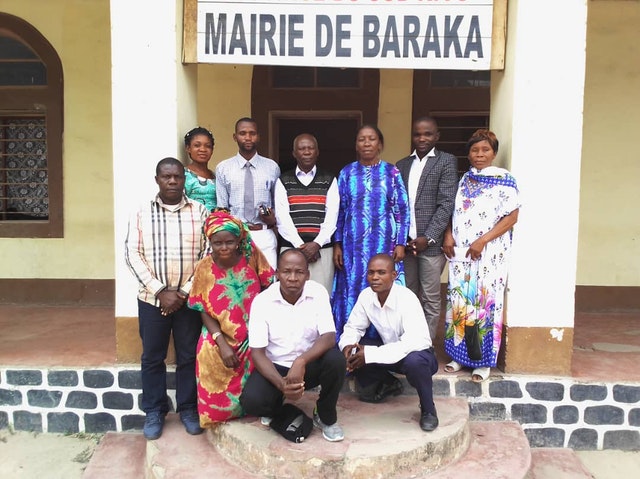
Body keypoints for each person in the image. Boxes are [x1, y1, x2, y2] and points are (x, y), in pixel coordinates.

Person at [124, 157, 208, 440]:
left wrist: (182, 292)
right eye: (166, 177)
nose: (172, 181)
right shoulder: (140, 213)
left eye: (177, 177)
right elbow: (132, 254)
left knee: (188, 356)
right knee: (152, 357)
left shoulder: (200, 211)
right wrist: (161, 291)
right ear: (157, 179)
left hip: (187, 300)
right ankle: (154, 411)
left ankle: (187, 408)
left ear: (184, 179)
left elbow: (207, 257)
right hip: (152, 299)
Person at [240, 249, 347, 442]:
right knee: (252, 403)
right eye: (286, 271)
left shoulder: (318, 292)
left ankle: (325, 415)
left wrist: (301, 361)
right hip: (277, 367)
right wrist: (282, 385)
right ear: (277, 274)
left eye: (299, 272)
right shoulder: (262, 301)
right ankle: (279, 406)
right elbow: (257, 353)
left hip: (309, 366)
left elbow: (329, 336)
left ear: (307, 274)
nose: (292, 278)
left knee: (336, 360)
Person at [442, 129, 520, 382]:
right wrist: (449, 235)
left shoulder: (504, 179)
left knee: (485, 303)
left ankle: (482, 362)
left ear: (494, 153)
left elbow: (512, 217)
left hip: (489, 254)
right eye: (475, 150)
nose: (479, 154)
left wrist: (483, 240)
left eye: (485, 150)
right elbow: (453, 212)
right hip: (461, 254)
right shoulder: (464, 180)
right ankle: (459, 356)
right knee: (460, 302)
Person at [188, 209, 275, 427]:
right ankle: (218, 416)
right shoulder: (204, 268)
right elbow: (201, 308)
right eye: (218, 243)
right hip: (218, 333)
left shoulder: (251, 256)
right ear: (210, 242)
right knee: (208, 355)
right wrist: (221, 342)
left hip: (253, 333)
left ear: (238, 240)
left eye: (229, 242)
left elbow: (269, 285)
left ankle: (257, 409)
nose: (224, 248)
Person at [338, 254, 439, 432]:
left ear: (394, 275)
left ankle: (428, 410)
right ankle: (387, 384)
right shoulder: (366, 296)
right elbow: (354, 327)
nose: (375, 277)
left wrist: (370, 354)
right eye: (371, 273)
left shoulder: (407, 298)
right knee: (348, 350)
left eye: (381, 272)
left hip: (416, 353)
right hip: (389, 352)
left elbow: (413, 342)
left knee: (415, 362)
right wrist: (348, 346)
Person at [332, 124, 410, 342]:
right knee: (354, 289)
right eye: (361, 139)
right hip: (352, 247)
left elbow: (402, 210)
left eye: (371, 139)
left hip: (384, 245)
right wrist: (337, 243)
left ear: (380, 144)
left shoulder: (391, 172)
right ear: (356, 145)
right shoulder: (346, 173)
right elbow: (340, 210)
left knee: (383, 289)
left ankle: (385, 344)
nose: (366, 143)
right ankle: (352, 343)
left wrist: (401, 243)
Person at [396, 117, 458, 342]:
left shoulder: (446, 161)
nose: (422, 138)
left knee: (430, 299)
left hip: (430, 246)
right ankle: (408, 341)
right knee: (407, 295)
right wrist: (402, 239)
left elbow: (446, 204)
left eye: (428, 134)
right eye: (417, 134)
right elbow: (398, 205)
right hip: (407, 244)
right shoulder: (401, 165)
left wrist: (429, 237)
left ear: (437, 136)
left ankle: (425, 345)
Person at [274, 133, 339, 293]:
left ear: (317, 152)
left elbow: (332, 216)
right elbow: (282, 218)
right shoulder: (284, 180)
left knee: (321, 296)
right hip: (291, 250)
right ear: (294, 153)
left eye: (310, 148)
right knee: (290, 296)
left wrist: (316, 244)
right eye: (302, 149)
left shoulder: (329, 179)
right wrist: (301, 248)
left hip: (322, 251)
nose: (307, 152)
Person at [215, 117, 280, 269]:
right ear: (235, 137)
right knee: (239, 286)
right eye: (243, 133)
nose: (248, 137)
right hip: (236, 236)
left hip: (264, 233)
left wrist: (272, 218)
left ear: (259, 136)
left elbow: (278, 205)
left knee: (269, 284)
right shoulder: (223, 168)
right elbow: (222, 209)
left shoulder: (272, 167)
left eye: (252, 133)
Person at [183, 126, 216, 211]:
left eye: (208, 146)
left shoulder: (216, 176)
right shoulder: (183, 175)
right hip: (195, 222)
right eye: (197, 145)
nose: (203, 149)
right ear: (188, 148)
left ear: (212, 150)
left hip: (217, 222)